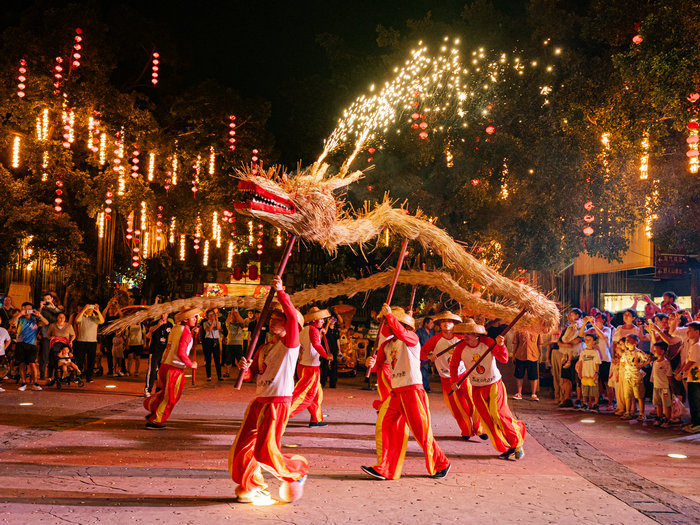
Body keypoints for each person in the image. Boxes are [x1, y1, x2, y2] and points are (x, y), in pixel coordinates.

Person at [230, 276, 309, 504]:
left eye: (278, 318)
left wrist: (282, 292)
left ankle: (297, 470)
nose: (272, 321)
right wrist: (243, 370)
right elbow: (252, 374)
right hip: (259, 401)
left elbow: (294, 318)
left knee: (265, 451)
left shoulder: (291, 344)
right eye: (271, 317)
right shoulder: (264, 347)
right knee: (242, 448)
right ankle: (253, 485)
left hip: (277, 402)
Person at [362, 304, 450, 480]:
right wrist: (369, 364)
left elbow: (401, 333)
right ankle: (385, 468)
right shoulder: (387, 345)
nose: (386, 326)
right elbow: (378, 365)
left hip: (413, 391)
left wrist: (390, 317)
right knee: (384, 426)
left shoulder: (412, 338)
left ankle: (442, 463)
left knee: (421, 432)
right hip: (396, 394)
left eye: (388, 322)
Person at [450, 318, 526, 460]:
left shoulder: (488, 342)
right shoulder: (460, 347)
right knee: (487, 420)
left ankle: (517, 442)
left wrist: (501, 345)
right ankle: (506, 446)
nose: (465, 336)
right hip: (476, 387)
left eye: (469, 333)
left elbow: (503, 359)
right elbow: (453, 366)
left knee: (498, 415)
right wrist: (454, 381)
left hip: (493, 384)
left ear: (476, 334)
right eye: (464, 333)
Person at [422, 311, 484, 440]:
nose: (446, 324)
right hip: (446, 379)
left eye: (449, 321)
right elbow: (421, 353)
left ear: (455, 324)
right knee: (457, 407)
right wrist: (429, 356)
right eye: (443, 322)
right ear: (440, 324)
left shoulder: (461, 338)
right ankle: (466, 430)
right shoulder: (435, 339)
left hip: (464, 375)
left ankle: (479, 429)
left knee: (474, 401)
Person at [144, 307, 200, 429]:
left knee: (163, 393)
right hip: (175, 369)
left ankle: (153, 410)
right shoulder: (185, 332)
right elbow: (181, 352)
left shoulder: (175, 329)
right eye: (193, 317)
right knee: (170, 397)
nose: (195, 319)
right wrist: (191, 364)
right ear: (186, 319)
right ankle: (156, 420)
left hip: (165, 365)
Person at [290, 307, 332, 426]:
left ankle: (316, 419)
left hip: (304, 365)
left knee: (317, 394)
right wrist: (326, 355)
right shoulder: (313, 330)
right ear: (315, 320)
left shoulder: (305, 329)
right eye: (321, 319)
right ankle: (282, 414)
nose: (323, 321)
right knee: (305, 395)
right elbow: (316, 345)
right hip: (310, 368)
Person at [11, 303, 48, 391]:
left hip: (32, 345)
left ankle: (35, 383)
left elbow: (46, 322)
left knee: (32, 363)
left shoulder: (35, 319)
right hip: (20, 343)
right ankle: (23, 383)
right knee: (22, 363)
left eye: (30, 309)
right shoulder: (20, 319)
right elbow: (12, 322)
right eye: (26, 309)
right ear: (22, 309)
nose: (28, 311)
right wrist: (20, 314)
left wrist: (40, 315)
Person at [674, 321, 700, 433]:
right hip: (692, 377)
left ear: (697, 331)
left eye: (690, 330)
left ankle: (697, 424)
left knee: (695, 401)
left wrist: (680, 373)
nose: (687, 332)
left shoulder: (697, 346)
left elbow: (691, 362)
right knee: (693, 400)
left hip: (696, 378)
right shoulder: (693, 345)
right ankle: (695, 422)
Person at [619, 334, 652, 421]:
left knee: (639, 395)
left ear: (635, 342)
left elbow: (648, 359)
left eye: (629, 340)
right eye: (626, 340)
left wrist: (641, 366)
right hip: (627, 376)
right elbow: (622, 362)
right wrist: (626, 367)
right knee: (627, 395)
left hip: (637, 377)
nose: (627, 341)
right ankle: (628, 412)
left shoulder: (639, 353)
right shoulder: (625, 353)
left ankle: (641, 414)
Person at [557, 309, 583, 407]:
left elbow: (579, 339)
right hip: (566, 353)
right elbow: (559, 341)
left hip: (576, 356)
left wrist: (568, 343)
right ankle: (567, 398)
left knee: (577, 379)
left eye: (572, 315)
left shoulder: (580, 327)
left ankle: (579, 400)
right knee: (566, 378)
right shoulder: (567, 328)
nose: (569, 317)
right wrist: (564, 344)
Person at [74, 302, 104, 382]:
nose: (90, 310)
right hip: (81, 341)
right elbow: (77, 320)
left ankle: (89, 376)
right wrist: (83, 310)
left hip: (92, 341)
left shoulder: (95, 317)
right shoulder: (82, 316)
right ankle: (78, 376)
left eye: (91, 309)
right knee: (80, 359)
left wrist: (97, 311)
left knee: (91, 360)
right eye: (89, 308)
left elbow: (102, 321)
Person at [145, 314, 172, 397]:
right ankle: (148, 389)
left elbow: (171, 336)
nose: (164, 315)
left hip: (164, 351)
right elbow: (149, 333)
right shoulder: (155, 323)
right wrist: (158, 325)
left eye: (165, 313)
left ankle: (160, 390)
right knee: (152, 371)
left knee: (162, 372)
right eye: (162, 313)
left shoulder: (170, 325)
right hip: (154, 350)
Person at [38, 293, 63, 380]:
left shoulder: (56, 309)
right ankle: (42, 375)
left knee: (54, 356)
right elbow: (39, 317)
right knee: (44, 356)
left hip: (56, 336)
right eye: (45, 299)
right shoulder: (43, 310)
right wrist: (41, 307)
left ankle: (52, 375)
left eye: (48, 299)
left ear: (52, 299)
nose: (47, 301)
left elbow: (62, 315)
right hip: (47, 336)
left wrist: (53, 307)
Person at [512, 329, 541, 401]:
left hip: (533, 355)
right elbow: (515, 343)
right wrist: (513, 355)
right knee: (519, 375)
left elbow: (539, 343)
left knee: (533, 375)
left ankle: (533, 394)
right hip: (520, 355)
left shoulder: (537, 329)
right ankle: (519, 393)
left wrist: (540, 355)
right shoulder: (519, 329)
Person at [650, 342, 673, 427]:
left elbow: (669, 375)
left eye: (656, 350)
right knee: (658, 403)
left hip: (664, 388)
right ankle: (659, 417)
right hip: (656, 387)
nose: (654, 351)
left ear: (662, 351)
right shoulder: (655, 362)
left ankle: (667, 419)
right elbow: (653, 374)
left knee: (666, 404)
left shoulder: (666, 363)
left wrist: (671, 386)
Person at [576, 333, 602, 411]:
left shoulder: (595, 352)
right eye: (586, 339)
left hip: (592, 373)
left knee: (594, 389)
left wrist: (596, 373)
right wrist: (579, 373)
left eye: (589, 340)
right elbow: (580, 363)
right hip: (585, 373)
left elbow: (597, 364)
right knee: (584, 389)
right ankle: (584, 403)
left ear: (594, 342)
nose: (587, 341)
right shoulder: (583, 352)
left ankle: (596, 405)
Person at [101, 298, 122, 376]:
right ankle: (110, 369)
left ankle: (119, 369)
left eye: (113, 309)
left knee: (118, 354)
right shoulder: (106, 318)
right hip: (108, 337)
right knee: (109, 354)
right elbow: (103, 314)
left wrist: (117, 307)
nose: (112, 310)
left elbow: (122, 316)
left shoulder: (116, 318)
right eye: (111, 309)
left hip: (116, 336)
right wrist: (108, 306)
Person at [223, 308, 245, 378]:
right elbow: (227, 322)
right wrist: (230, 314)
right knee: (228, 359)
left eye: (235, 316)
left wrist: (237, 313)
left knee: (240, 360)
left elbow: (242, 321)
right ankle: (227, 372)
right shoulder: (229, 324)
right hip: (230, 344)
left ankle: (241, 374)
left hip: (238, 344)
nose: (234, 317)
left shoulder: (240, 325)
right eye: (233, 316)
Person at [320, 312, 340, 388]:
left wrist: (339, 350)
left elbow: (338, 340)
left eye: (334, 319)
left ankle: (333, 383)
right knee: (325, 365)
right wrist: (328, 323)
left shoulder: (336, 330)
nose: (333, 320)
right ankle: (323, 382)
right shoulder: (325, 328)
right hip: (326, 349)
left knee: (334, 366)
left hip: (334, 348)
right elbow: (324, 333)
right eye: (332, 319)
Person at [416, 317, 434, 393]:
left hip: (431, 354)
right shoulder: (419, 332)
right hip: (422, 353)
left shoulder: (431, 332)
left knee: (427, 371)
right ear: (426, 323)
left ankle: (425, 386)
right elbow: (416, 342)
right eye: (431, 323)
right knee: (424, 370)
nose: (432, 325)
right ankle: (425, 387)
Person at [0, 323, 11, 392]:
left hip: (1, 353)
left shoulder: (3, 330)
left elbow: (8, 340)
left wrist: (4, 348)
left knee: (2, 370)